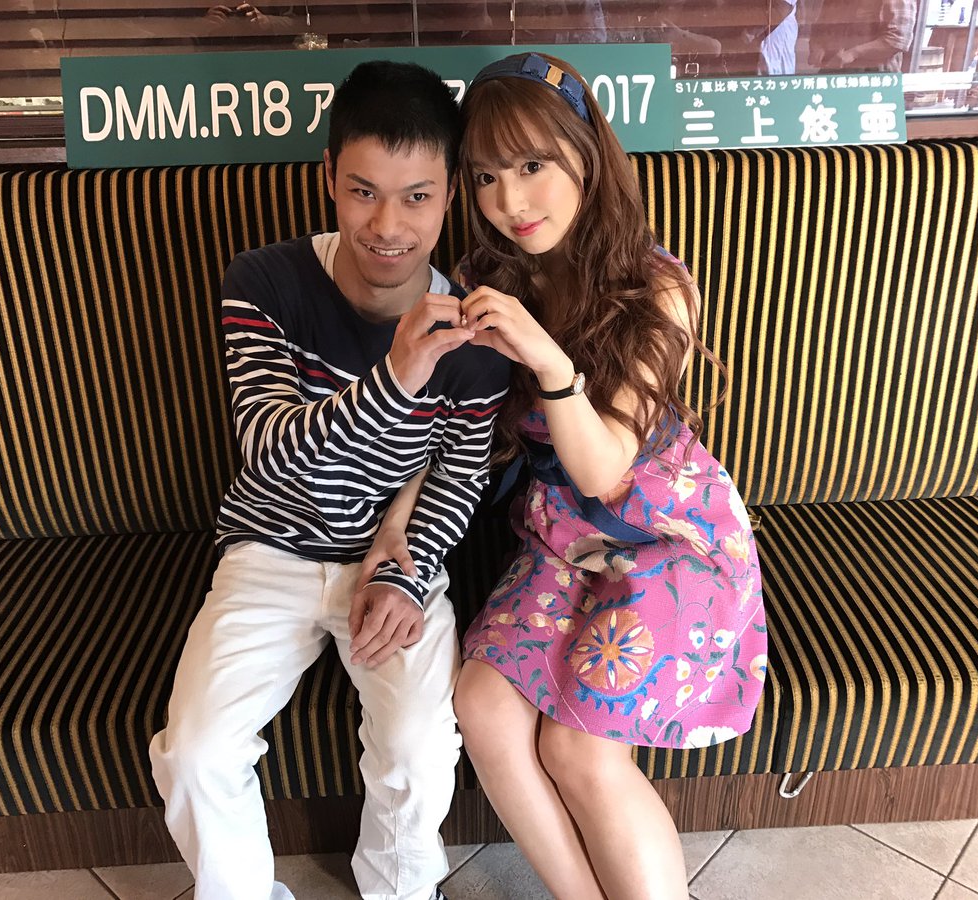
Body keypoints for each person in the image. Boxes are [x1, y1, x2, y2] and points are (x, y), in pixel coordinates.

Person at [148, 60, 509, 900]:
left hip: (394, 561)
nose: (388, 226)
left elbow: (458, 477)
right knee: (194, 752)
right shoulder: (264, 283)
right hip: (269, 548)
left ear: (450, 196)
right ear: (328, 178)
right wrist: (397, 377)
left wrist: (406, 574)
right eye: (363, 192)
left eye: (417, 197)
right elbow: (270, 451)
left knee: (420, 749)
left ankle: (397, 891)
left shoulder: (472, 332)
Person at [455, 52, 767, 899]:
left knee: (579, 748)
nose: (509, 201)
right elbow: (448, 421)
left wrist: (549, 361)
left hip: (667, 533)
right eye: (485, 176)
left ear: (586, 155)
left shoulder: (657, 288)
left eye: (532, 165)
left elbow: (604, 468)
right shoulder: (488, 278)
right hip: (562, 539)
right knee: (482, 704)